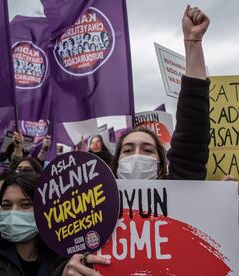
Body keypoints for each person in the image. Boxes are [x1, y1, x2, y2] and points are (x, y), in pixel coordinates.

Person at [62, 5, 211, 273]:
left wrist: (193, 44)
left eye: (147, 150)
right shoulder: (91, 211)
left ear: (162, 163)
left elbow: (193, 132)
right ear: (117, 163)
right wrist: (69, 270)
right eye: (128, 150)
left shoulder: (181, 194)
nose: (137, 156)